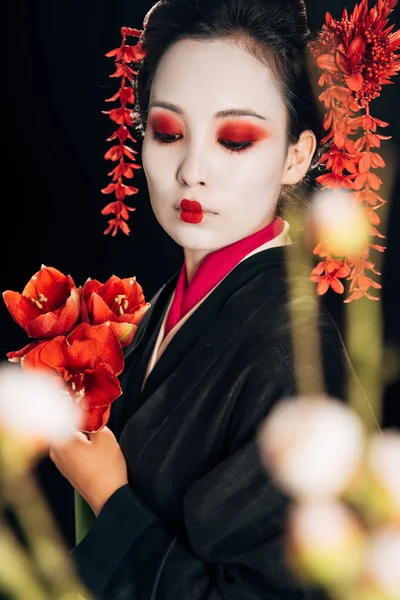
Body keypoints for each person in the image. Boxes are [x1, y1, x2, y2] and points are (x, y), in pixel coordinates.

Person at [49, 0, 362, 598]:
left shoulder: (294, 355)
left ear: (297, 156)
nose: (192, 169)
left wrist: (109, 500)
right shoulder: (171, 306)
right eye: (167, 132)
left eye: (236, 139)